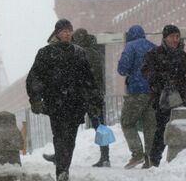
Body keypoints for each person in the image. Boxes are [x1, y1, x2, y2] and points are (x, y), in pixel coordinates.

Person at [26, 19, 103, 181]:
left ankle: (64, 168)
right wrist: (35, 98)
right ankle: (62, 170)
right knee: (59, 135)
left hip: (75, 103)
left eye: (69, 30)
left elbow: (88, 79)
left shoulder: (79, 52)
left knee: (70, 138)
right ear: (57, 33)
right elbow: (35, 77)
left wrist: (95, 101)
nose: (67, 33)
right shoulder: (46, 53)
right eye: (63, 31)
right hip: (55, 103)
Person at [42, 28, 111, 167]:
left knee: (66, 126)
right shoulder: (96, 53)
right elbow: (99, 77)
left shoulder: (79, 54)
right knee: (100, 126)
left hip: (81, 97)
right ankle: (105, 157)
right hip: (95, 96)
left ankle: (60, 155)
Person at [141, 24, 186, 167]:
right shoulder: (154, 54)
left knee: (181, 127)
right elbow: (146, 73)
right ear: (165, 38)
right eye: (172, 36)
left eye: (177, 36)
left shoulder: (184, 56)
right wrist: (163, 80)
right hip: (162, 98)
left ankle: (179, 161)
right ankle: (155, 159)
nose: (175, 40)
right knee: (162, 128)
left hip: (181, 98)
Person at [117, 25, 156, 169]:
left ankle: (137, 153)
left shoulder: (130, 46)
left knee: (127, 122)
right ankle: (150, 158)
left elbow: (122, 69)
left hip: (136, 91)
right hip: (153, 92)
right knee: (150, 125)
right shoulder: (153, 46)